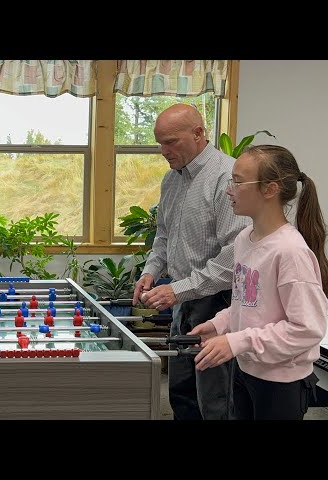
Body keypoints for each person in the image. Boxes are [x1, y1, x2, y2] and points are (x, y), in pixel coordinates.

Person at [190, 145, 328, 420]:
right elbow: (247, 302)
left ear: (270, 189)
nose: (229, 190)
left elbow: (308, 329)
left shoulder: (290, 252)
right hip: (245, 371)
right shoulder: (245, 239)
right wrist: (220, 324)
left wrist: (239, 340)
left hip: (280, 384)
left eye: (238, 182)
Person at [132, 104, 250, 420]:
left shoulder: (228, 176)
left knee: (215, 398)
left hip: (218, 303)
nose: (163, 151)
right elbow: (164, 236)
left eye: (171, 141)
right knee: (181, 392)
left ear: (198, 133)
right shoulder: (171, 180)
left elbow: (234, 257)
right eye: (160, 143)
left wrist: (178, 290)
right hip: (183, 301)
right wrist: (151, 271)